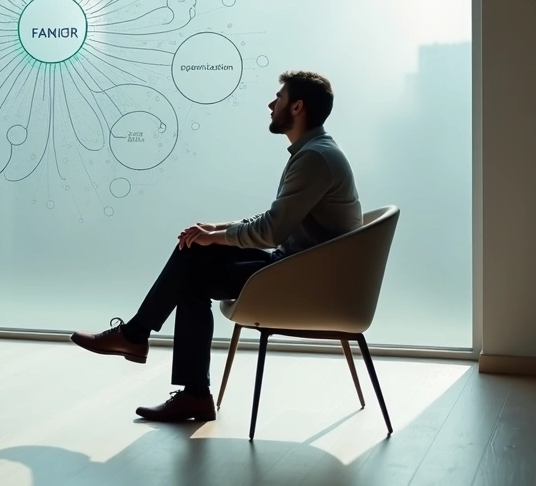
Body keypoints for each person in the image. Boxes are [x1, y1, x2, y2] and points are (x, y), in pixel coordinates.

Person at [70, 70, 361, 421]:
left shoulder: (314, 158)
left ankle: (165, 365)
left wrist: (218, 235)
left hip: (304, 281)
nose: (271, 104)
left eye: (279, 98)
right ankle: (145, 345)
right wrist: (216, 229)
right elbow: (277, 218)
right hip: (297, 267)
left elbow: (271, 231)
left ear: (297, 106)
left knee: (193, 278)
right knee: (195, 249)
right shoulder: (314, 152)